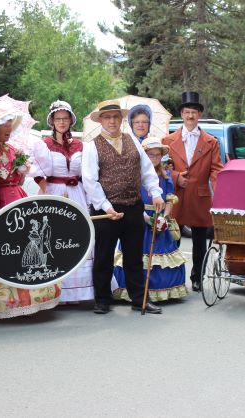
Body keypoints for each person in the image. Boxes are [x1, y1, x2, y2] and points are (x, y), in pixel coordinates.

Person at [82, 99, 165, 314]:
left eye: (115, 117)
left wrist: (156, 193)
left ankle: (139, 299)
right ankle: (102, 300)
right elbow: (90, 181)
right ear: (101, 120)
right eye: (107, 117)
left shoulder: (133, 141)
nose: (112, 121)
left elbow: (146, 170)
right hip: (106, 211)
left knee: (134, 256)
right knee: (103, 256)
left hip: (133, 206)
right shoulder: (92, 146)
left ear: (121, 119)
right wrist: (106, 206)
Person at [0, 106, 60, 318]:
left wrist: (22, 169)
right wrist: (8, 170)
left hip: (19, 198)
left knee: (26, 243)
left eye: (9, 125)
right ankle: (4, 300)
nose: (8, 129)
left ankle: (34, 296)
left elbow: (20, 178)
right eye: (3, 125)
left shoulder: (13, 150)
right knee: (4, 246)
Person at [29, 100, 94, 302]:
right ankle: (56, 291)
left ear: (71, 120)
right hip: (53, 193)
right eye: (58, 119)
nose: (62, 122)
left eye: (65, 118)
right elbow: (37, 174)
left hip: (77, 194)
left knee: (78, 238)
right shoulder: (44, 144)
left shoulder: (81, 145)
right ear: (52, 121)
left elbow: (87, 173)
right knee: (53, 240)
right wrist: (47, 192)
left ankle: (81, 292)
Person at [113, 137, 187, 302]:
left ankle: (160, 290)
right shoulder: (135, 175)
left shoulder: (166, 176)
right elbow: (131, 199)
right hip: (139, 217)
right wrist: (145, 217)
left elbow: (169, 200)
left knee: (161, 254)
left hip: (159, 219)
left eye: (157, 155)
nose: (154, 158)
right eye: (150, 155)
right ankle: (137, 292)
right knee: (136, 255)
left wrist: (164, 218)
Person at [162, 92, 223, 291]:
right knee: (173, 238)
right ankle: (173, 277)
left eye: (194, 112)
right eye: (187, 112)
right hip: (176, 196)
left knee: (199, 242)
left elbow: (216, 169)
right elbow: (162, 168)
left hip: (200, 195)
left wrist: (221, 192)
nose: (190, 116)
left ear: (199, 115)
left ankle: (197, 277)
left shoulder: (211, 141)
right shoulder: (167, 140)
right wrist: (176, 176)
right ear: (181, 114)